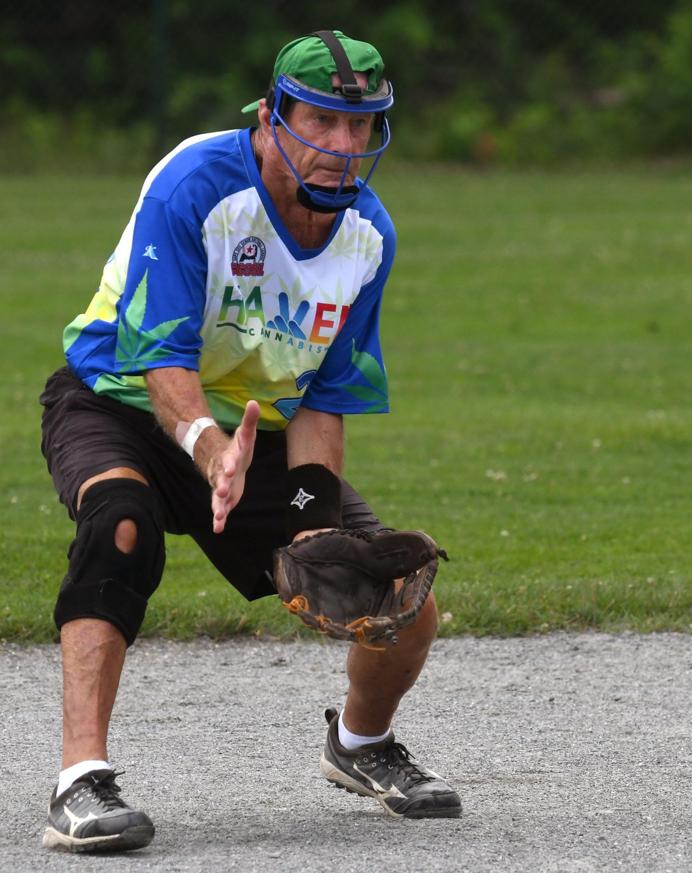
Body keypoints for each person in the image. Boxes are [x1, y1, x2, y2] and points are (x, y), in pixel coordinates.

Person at [38, 28, 461, 853]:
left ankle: (361, 742)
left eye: (361, 124)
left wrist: (310, 519)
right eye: (322, 119)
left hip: (255, 434)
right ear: (271, 117)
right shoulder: (196, 182)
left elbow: (323, 398)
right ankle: (79, 781)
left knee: (397, 595)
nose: (343, 145)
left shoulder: (367, 236)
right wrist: (208, 450)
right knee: (119, 525)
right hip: (117, 401)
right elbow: (158, 356)